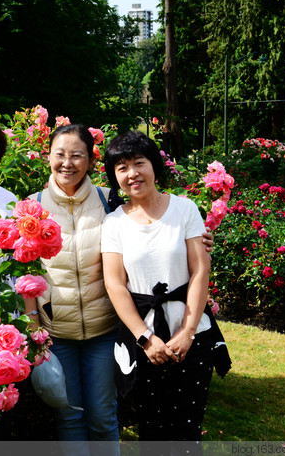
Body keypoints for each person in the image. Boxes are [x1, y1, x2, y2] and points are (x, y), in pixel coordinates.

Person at [26, 125, 214, 454]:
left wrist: (197, 240)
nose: (67, 162)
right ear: (48, 157)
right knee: (69, 415)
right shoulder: (32, 208)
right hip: (60, 331)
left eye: (77, 155)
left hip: (104, 329)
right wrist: (33, 322)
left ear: (90, 161)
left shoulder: (105, 201)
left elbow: (181, 255)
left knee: (103, 415)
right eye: (60, 154)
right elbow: (25, 266)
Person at [100, 131, 230, 443]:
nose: (132, 173)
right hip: (145, 339)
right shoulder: (114, 222)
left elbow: (200, 271)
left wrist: (187, 331)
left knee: (187, 426)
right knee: (152, 429)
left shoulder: (184, 209)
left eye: (138, 163)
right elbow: (115, 284)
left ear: (154, 166)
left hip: (192, 335)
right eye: (122, 167)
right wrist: (145, 339)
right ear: (114, 176)